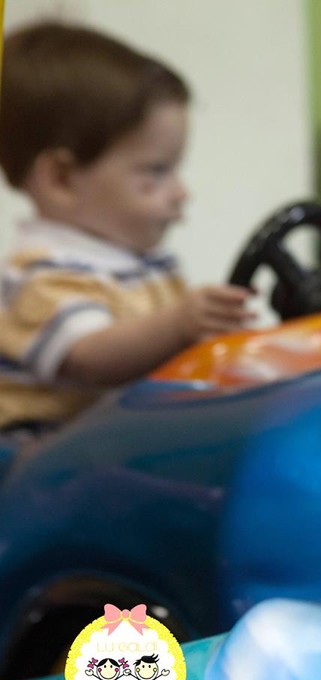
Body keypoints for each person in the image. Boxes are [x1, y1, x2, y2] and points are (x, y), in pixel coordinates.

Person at [0, 21, 253, 432]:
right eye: (156, 173)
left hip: (108, 446)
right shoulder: (42, 272)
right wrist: (178, 324)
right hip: (40, 461)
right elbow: (91, 358)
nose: (181, 193)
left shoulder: (140, 261)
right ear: (62, 179)